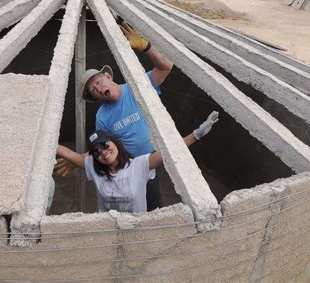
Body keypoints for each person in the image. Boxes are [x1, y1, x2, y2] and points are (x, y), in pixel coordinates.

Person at [55, 22, 173, 211]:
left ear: (108, 77)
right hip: (130, 166)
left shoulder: (137, 86)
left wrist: (146, 47)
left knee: (153, 202)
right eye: (94, 90)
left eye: (99, 82)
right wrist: (77, 161)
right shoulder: (103, 116)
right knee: (130, 205)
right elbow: (103, 145)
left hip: (154, 156)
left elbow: (165, 67)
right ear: (94, 97)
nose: (99, 88)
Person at [56, 112, 219, 213]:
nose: (103, 152)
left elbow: (169, 151)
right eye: (96, 151)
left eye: (105, 145)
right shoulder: (93, 166)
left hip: (137, 228)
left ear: (114, 143)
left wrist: (196, 135)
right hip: (109, 229)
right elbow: (68, 153)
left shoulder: (139, 165)